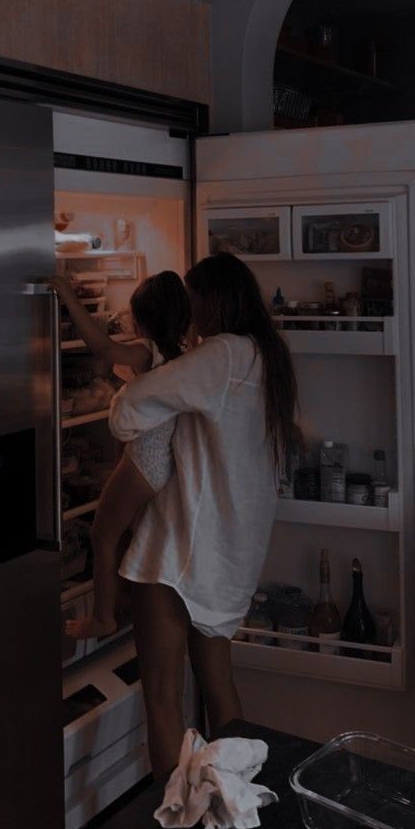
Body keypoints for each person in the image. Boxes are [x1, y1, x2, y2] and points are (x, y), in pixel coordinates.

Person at [109, 252, 299, 777]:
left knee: (164, 700)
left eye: (194, 304)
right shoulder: (267, 354)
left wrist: (131, 387)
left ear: (214, 302)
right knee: (220, 687)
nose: (190, 317)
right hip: (230, 555)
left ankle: (176, 826)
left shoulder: (220, 355)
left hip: (177, 554)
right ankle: (233, 801)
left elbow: (131, 410)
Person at [49, 270, 191, 639]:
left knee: (102, 535)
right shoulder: (185, 353)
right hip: (164, 463)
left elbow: (104, 349)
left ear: (142, 320)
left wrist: (68, 295)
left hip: (144, 462)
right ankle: (125, 601)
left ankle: (102, 618)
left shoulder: (148, 352)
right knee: (128, 532)